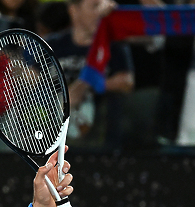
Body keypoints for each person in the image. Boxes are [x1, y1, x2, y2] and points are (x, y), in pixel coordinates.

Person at [44, 0, 133, 145]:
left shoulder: (114, 44)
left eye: (102, 6)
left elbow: (126, 82)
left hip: (101, 131)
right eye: (94, 6)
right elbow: (30, 79)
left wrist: (85, 86)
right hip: (54, 130)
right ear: (74, 11)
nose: (101, 12)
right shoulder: (52, 44)